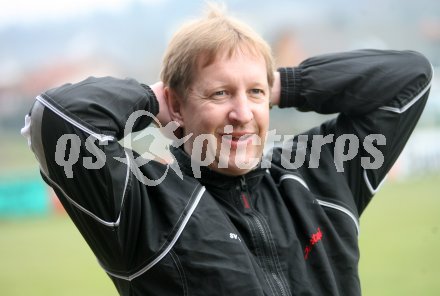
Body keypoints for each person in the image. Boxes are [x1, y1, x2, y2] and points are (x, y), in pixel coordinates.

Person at [21, 4, 432, 296]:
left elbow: (409, 78)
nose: (242, 113)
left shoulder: (317, 174)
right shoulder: (144, 202)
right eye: (220, 93)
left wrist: (282, 84)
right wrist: (153, 99)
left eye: (254, 93)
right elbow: (57, 119)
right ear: (177, 105)